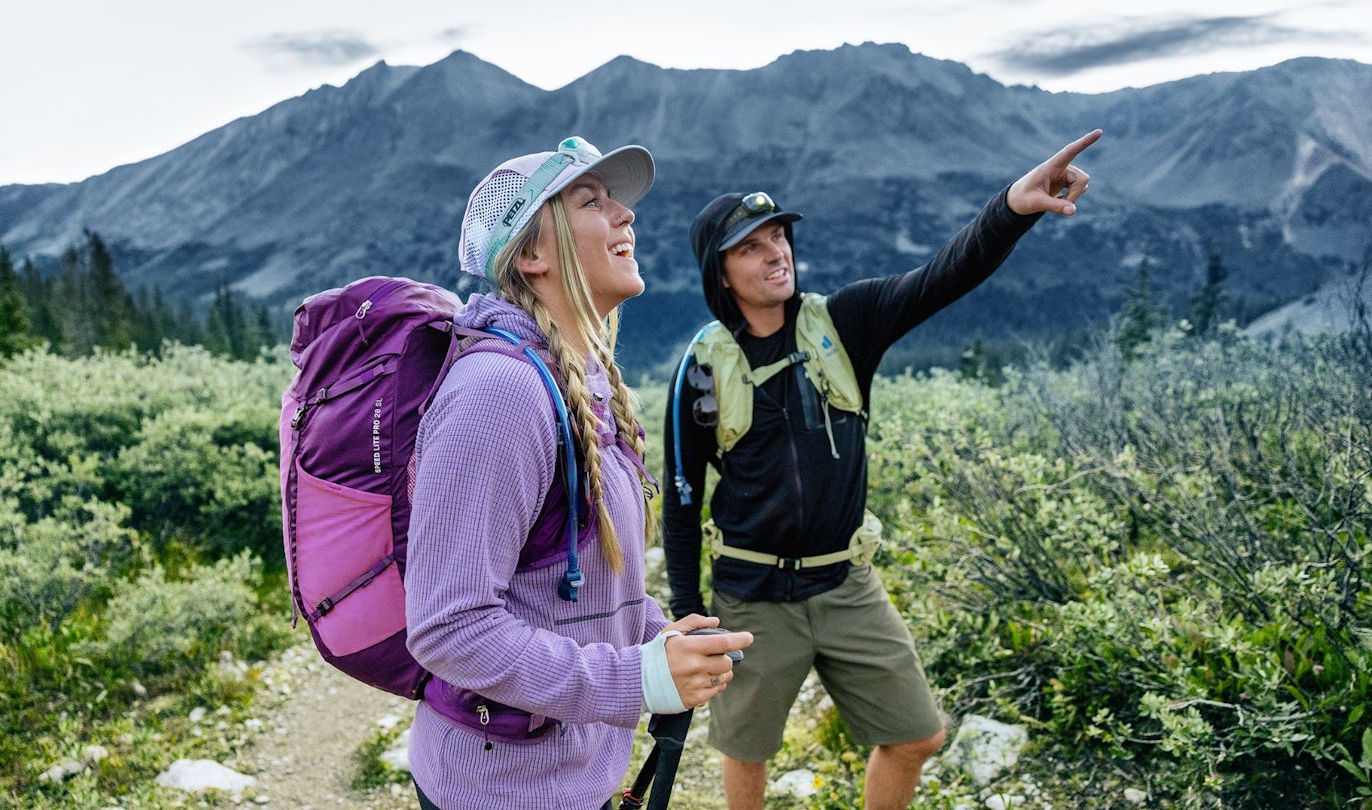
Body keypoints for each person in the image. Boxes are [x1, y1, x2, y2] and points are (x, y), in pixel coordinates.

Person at [662, 130, 1102, 810]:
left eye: (778, 236)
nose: (775, 252)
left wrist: (1012, 209)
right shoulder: (702, 367)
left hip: (847, 581)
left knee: (917, 735)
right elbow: (684, 498)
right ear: (720, 274)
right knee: (746, 750)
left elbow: (942, 276)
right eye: (750, 246)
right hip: (752, 594)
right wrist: (688, 612)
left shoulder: (846, 322)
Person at [403, 136, 753, 810]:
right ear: (532, 255)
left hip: (569, 777)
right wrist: (636, 680)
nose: (626, 216)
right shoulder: (498, 394)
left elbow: (567, 590)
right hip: (499, 792)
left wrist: (653, 636)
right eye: (593, 202)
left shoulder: (584, 386)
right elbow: (449, 628)